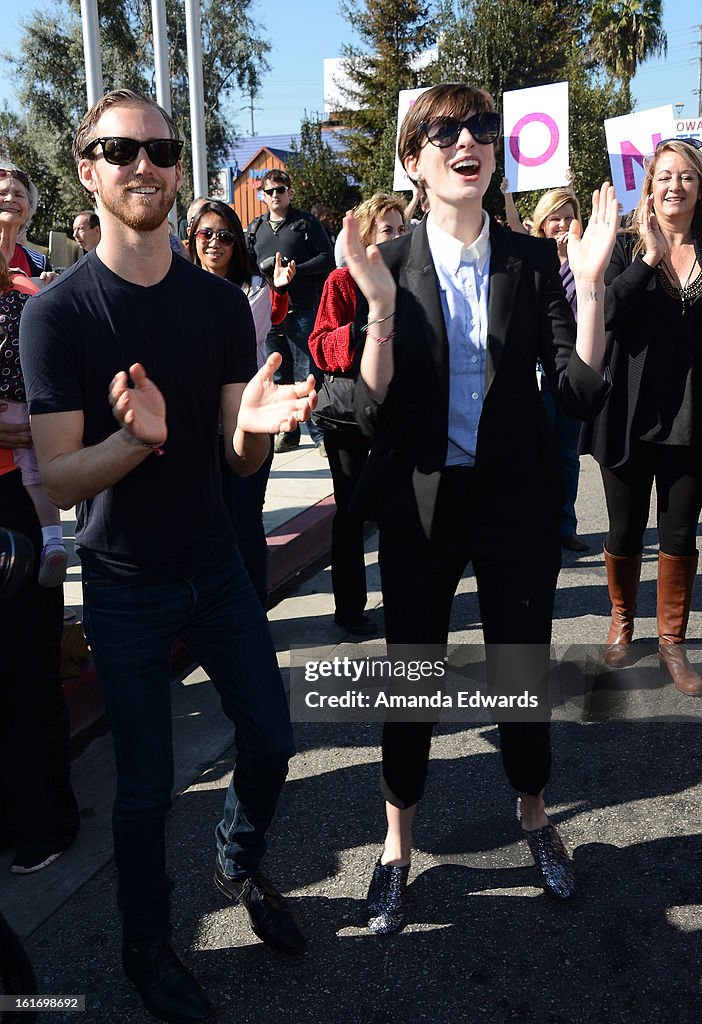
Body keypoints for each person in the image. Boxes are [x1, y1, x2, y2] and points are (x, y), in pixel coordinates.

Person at [20, 89, 316, 1024]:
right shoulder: (57, 315)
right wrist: (136, 442)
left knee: (271, 736)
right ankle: (148, 948)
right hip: (124, 583)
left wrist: (256, 431)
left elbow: (237, 451)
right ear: (88, 170)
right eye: (119, 150)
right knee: (145, 787)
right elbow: (62, 482)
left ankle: (239, 852)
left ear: (179, 167)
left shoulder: (221, 305)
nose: (142, 165)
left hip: (217, 564)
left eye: (160, 150)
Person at [343, 82, 618, 933]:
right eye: (446, 132)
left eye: (482, 130)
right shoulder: (386, 267)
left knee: (518, 673)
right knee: (412, 677)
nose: (469, 142)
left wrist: (593, 286)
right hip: (422, 505)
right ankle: (397, 845)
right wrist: (380, 314)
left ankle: (534, 818)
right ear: (414, 160)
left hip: (512, 504)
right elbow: (370, 410)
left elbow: (576, 388)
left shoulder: (533, 264)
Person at [581, 137, 702, 695]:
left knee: (679, 533)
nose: (675, 186)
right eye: (665, 177)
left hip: (692, 418)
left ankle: (672, 642)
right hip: (629, 415)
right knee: (625, 530)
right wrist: (650, 256)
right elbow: (604, 314)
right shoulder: (628, 245)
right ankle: (622, 623)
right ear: (649, 187)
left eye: (687, 177)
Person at [0, 263, 79, 878]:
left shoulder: (32, 297)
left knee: (26, 666)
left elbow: (53, 402)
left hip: (16, 506)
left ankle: (42, 822)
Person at [309, 192, 406, 635]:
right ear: (365, 236)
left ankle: (402, 598)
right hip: (348, 416)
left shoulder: (414, 276)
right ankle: (349, 607)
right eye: (387, 229)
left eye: (402, 228)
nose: (397, 236)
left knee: (400, 510)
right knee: (350, 512)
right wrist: (368, 328)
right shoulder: (341, 282)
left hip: (399, 410)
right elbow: (321, 346)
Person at [189, 198, 295, 603]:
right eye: (206, 234)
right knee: (209, 521)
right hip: (198, 426)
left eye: (224, 236)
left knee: (246, 519)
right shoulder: (176, 284)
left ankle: (252, 604)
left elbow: (223, 346)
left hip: (247, 424)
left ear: (237, 244)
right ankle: (216, 609)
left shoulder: (253, 291)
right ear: (193, 238)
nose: (214, 243)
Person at [0, 168, 68, 584]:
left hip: (33, 445)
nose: (10, 195)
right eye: (1, 189)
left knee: (33, 607)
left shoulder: (42, 265)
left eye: (19, 191)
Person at [247, 169, 334, 454]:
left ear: (290, 193)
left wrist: (297, 271)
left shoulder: (305, 223)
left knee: (308, 374)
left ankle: (319, 435)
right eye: (270, 191)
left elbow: (327, 259)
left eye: (280, 190)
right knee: (279, 377)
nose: (275, 195)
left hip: (302, 310)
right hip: (270, 314)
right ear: (263, 195)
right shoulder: (256, 228)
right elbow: (246, 266)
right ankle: (288, 431)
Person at [531, 187, 590, 552]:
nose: (563, 224)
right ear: (542, 223)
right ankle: (537, 524)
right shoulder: (531, 261)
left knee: (568, 454)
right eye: (556, 217)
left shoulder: (588, 262)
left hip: (574, 374)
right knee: (540, 452)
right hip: (537, 373)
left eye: (569, 217)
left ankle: (564, 525)